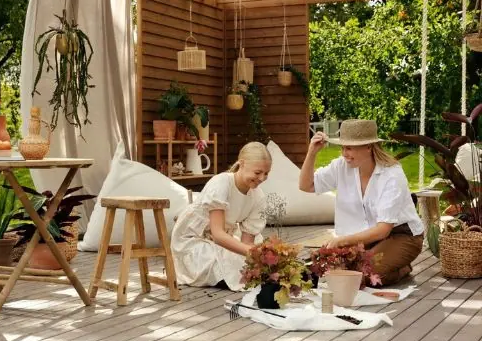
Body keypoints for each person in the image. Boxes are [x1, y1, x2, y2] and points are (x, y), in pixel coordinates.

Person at [299, 119, 424, 286]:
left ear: (368, 147)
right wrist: (312, 152)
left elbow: (383, 230)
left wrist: (341, 241)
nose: (344, 153)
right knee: (336, 274)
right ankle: (385, 261)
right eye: (342, 147)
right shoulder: (341, 166)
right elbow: (306, 185)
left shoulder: (392, 174)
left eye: (349, 148)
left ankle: (401, 268)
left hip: (402, 236)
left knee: (360, 277)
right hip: (365, 237)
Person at [171, 141, 272, 291]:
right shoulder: (222, 183)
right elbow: (217, 234)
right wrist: (250, 253)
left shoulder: (258, 197)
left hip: (221, 240)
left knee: (248, 261)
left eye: (266, 173)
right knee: (227, 262)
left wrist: (255, 257)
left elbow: (247, 241)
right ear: (242, 164)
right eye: (258, 173)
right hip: (194, 240)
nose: (262, 178)